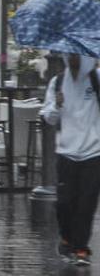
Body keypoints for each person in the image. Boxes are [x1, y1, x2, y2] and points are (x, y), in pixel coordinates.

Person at [41, 53, 100, 266]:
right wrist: (57, 105)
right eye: (71, 55)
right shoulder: (57, 82)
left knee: (87, 202)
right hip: (66, 151)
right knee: (64, 202)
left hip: (94, 152)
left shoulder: (96, 79)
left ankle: (81, 248)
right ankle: (66, 238)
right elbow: (48, 117)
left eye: (79, 55)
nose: (74, 59)